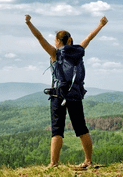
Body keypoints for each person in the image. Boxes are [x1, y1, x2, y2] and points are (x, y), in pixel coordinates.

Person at [25, 14, 108, 168]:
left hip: (58, 95)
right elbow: (90, 37)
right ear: (70, 40)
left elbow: (39, 37)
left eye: (55, 40)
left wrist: (29, 23)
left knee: (57, 129)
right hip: (75, 94)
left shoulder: (54, 53)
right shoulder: (79, 50)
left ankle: (54, 164)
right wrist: (101, 24)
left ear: (58, 41)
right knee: (81, 127)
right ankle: (88, 161)